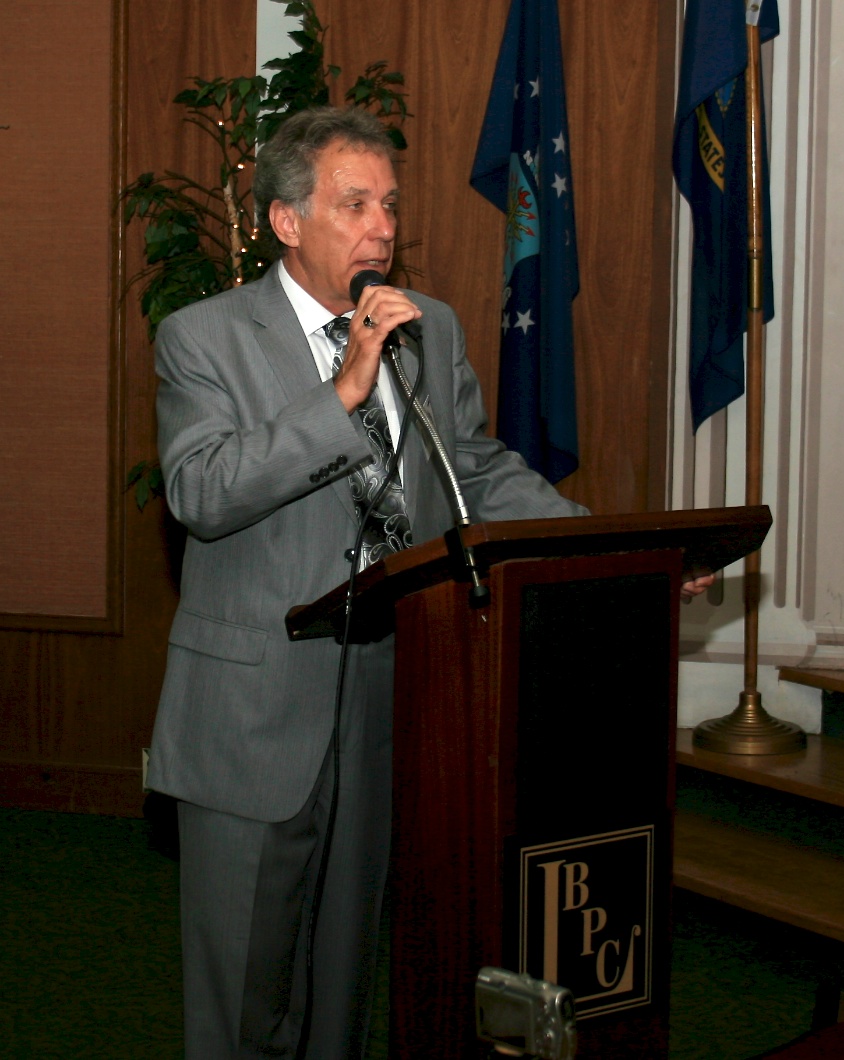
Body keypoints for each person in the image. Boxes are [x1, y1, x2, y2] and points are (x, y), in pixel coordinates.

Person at [147, 106, 711, 1059]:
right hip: (249, 711)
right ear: (288, 222)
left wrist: (604, 552)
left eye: (391, 205)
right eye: (355, 203)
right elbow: (201, 491)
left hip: (385, 699)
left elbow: (477, 471)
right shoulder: (204, 338)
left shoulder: (430, 328)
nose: (382, 226)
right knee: (245, 996)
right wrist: (342, 395)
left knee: (344, 991)